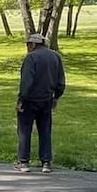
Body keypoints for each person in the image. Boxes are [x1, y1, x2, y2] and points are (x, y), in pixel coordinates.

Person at [16, 32, 65, 173]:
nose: (27, 47)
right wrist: (56, 97)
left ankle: (24, 162)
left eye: (28, 44)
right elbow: (60, 80)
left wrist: (21, 99)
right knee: (45, 130)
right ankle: (46, 163)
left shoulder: (31, 58)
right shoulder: (56, 56)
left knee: (24, 130)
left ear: (33, 44)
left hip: (30, 100)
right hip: (47, 99)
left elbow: (27, 81)